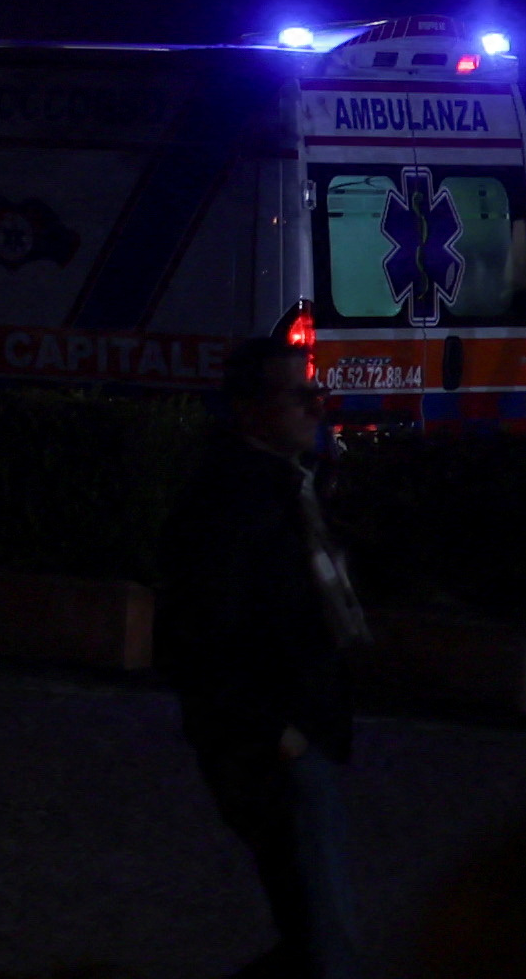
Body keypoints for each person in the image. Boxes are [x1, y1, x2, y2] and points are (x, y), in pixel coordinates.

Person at [159, 330, 374, 979]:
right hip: (276, 737)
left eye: (317, 394)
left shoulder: (291, 481)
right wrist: (275, 732)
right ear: (252, 410)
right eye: (300, 397)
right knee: (325, 936)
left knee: (314, 927)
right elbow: (202, 632)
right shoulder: (231, 504)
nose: (317, 407)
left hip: (300, 727)